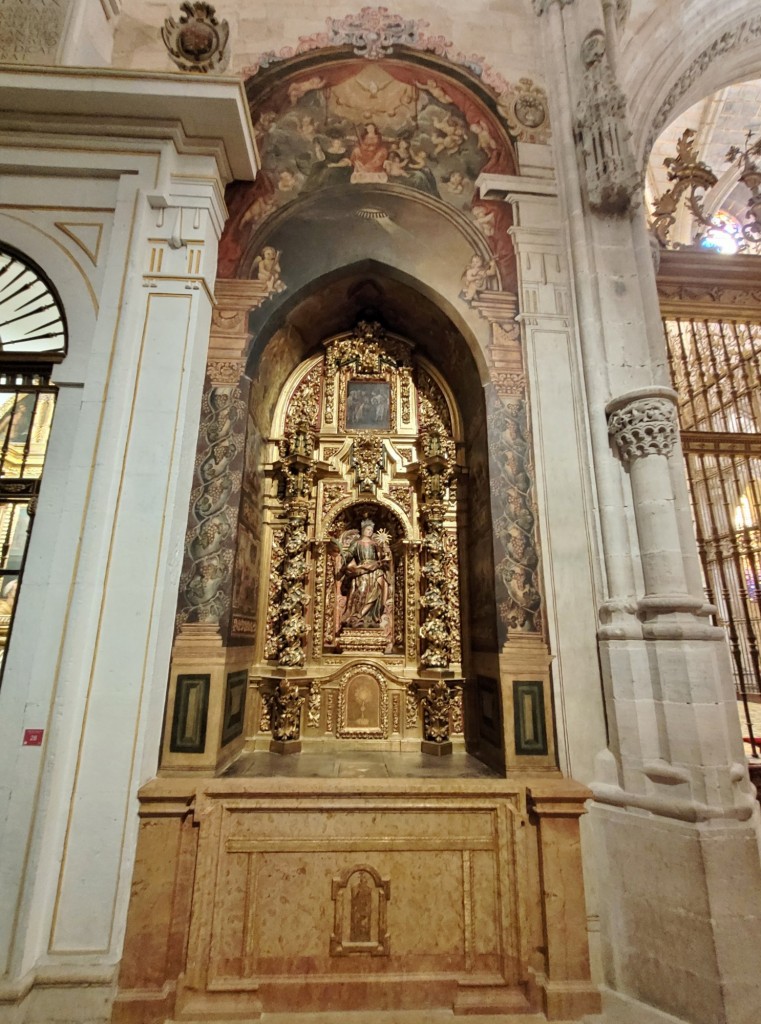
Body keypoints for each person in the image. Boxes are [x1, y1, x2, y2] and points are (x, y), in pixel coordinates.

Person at [332, 519, 391, 628]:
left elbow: (381, 557)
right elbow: (349, 554)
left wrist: (383, 549)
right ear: (363, 530)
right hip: (361, 572)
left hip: (375, 570)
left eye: (371, 530)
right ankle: (357, 616)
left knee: (377, 591)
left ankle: (370, 618)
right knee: (361, 591)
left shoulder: (375, 544)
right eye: (368, 529)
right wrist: (345, 557)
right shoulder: (357, 543)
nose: (369, 531)